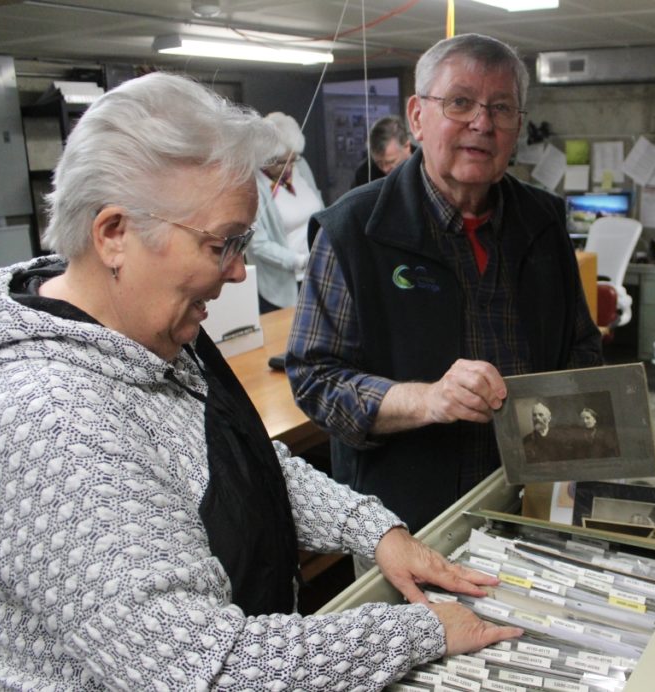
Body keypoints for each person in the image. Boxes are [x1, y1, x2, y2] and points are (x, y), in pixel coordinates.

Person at [0, 72, 523, 690]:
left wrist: (375, 532)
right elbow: (207, 669)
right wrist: (423, 631)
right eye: (223, 244)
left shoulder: (144, 329)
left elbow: (242, 464)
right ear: (114, 234)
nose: (240, 272)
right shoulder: (47, 419)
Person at [287, 33, 602, 536]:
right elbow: (315, 379)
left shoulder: (543, 221)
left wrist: (561, 426)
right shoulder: (353, 230)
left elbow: (582, 346)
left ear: (517, 126)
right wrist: (428, 400)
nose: (482, 123)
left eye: (501, 108)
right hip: (406, 523)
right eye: (460, 102)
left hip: (534, 506)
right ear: (417, 116)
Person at [246, 111, 324, 313]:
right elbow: (258, 244)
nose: (289, 167)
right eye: (282, 162)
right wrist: (300, 261)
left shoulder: (301, 166)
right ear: (265, 159)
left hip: (316, 274)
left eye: (293, 159)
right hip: (282, 286)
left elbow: (320, 209)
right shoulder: (253, 184)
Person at [351, 114, 415, 188]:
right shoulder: (364, 174)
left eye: (391, 161)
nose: (385, 169)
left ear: (407, 146)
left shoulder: (426, 164)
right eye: (379, 163)